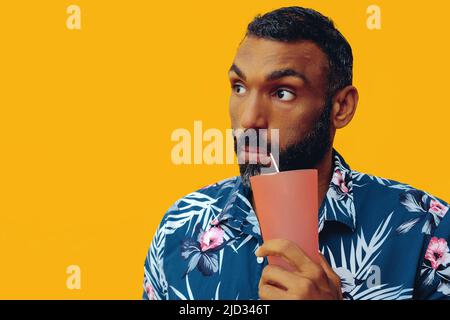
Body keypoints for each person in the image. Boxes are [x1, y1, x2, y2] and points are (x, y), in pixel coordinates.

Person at [143, 6, 450, 300]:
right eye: (239, 87)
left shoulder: (424, 228)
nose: (250, 119)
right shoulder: (180, 227)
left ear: (340, 107)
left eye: (282, 93)